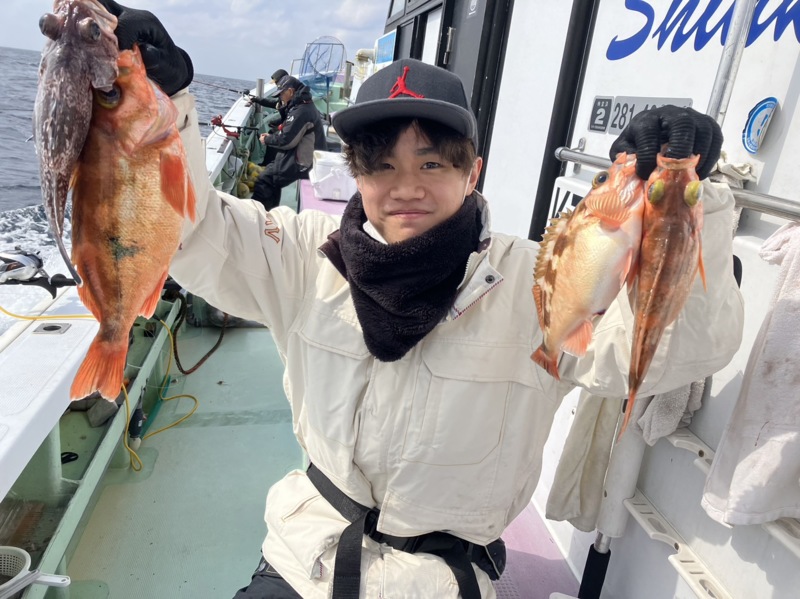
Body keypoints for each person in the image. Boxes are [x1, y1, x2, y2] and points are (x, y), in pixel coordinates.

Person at [101, 4, 744, 598]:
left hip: (442, 581)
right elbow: (190, 230)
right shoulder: (300, 253)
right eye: (381, 165)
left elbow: (656, 356)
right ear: (354, 172)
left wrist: (693, 200)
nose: (405, 188)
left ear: (474, 172)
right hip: (304, 560)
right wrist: (162, 98)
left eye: (432, 164)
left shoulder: (537, 280)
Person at [250, 74, 327, 210]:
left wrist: (266, 139)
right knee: (271, 175)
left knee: (266, 179)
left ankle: (257, 215)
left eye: (281, 94)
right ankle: (270, 213)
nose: (280, 97)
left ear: (291, 92)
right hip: (307, 155)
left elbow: (286, 141)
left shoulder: (300, 112)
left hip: (305, 163)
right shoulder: (303, 105)